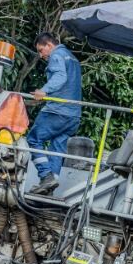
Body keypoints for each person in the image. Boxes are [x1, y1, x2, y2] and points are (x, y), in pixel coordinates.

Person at [27, 31, 83, 195]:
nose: (41, 55)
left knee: (33, 138)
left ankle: (45, 176)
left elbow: (60, 76)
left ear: (49, 45)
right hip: (73, 116)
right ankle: (49, 188)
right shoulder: (73, 58)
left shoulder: (57, 55)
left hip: (57, 112)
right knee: (57, 149)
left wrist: (44, 91)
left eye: (41, 50)